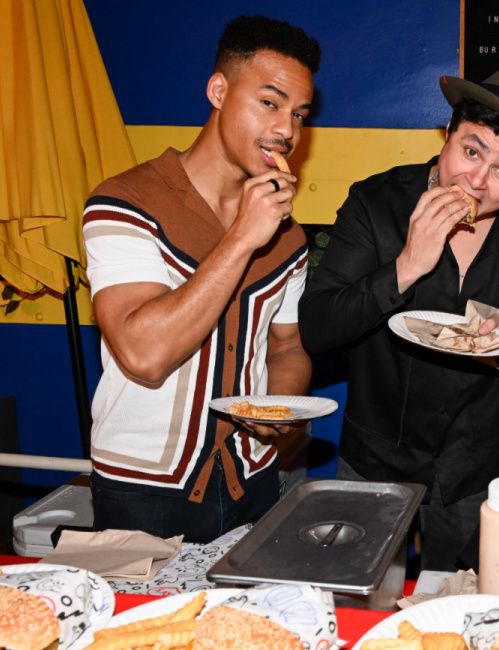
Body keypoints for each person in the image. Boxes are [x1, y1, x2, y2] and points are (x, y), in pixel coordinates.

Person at [298, 64, 499, 571]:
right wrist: (407, 266)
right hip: (373, 462)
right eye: (472, 151)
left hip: (474, 470)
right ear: (447, 134)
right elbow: (317, 327)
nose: (477, 181)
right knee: (354, 605)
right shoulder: (376, 202)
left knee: (462, 611)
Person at [80, 15, 320, 543]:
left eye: (299, 114)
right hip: (142, 492)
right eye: (270, 102)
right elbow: (144, 354)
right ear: (218, 90)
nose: (287, 129)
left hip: (253, 480)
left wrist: (278, 408)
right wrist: (241, 238)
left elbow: (287, 347)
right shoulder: (124, 204)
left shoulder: (288, 233)